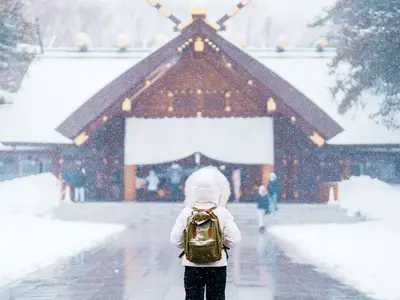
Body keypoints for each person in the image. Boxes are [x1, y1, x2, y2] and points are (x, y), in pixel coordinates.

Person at [170, 166, 241, 300]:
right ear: (216, 192)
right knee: (216, 296)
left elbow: (175, 239)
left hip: (192, 264)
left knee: (193, 297)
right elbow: (234, 239)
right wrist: (219, 243)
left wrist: (190, 245)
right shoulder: (221, 212)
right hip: (217, 264)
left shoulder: (187, 212)